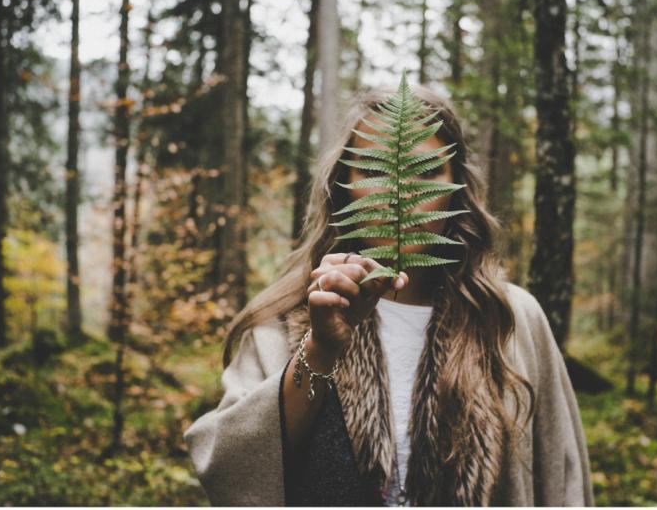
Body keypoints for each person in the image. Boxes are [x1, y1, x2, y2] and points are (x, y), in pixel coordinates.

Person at [183, 84, 595, 506]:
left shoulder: (509, 317)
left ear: (458, 187)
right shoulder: (290, 313)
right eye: (376, 170)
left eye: (427, 172)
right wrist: (320, 349)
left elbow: (562, 481)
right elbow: (230, 465)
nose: (401, 192)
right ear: (344, 185)